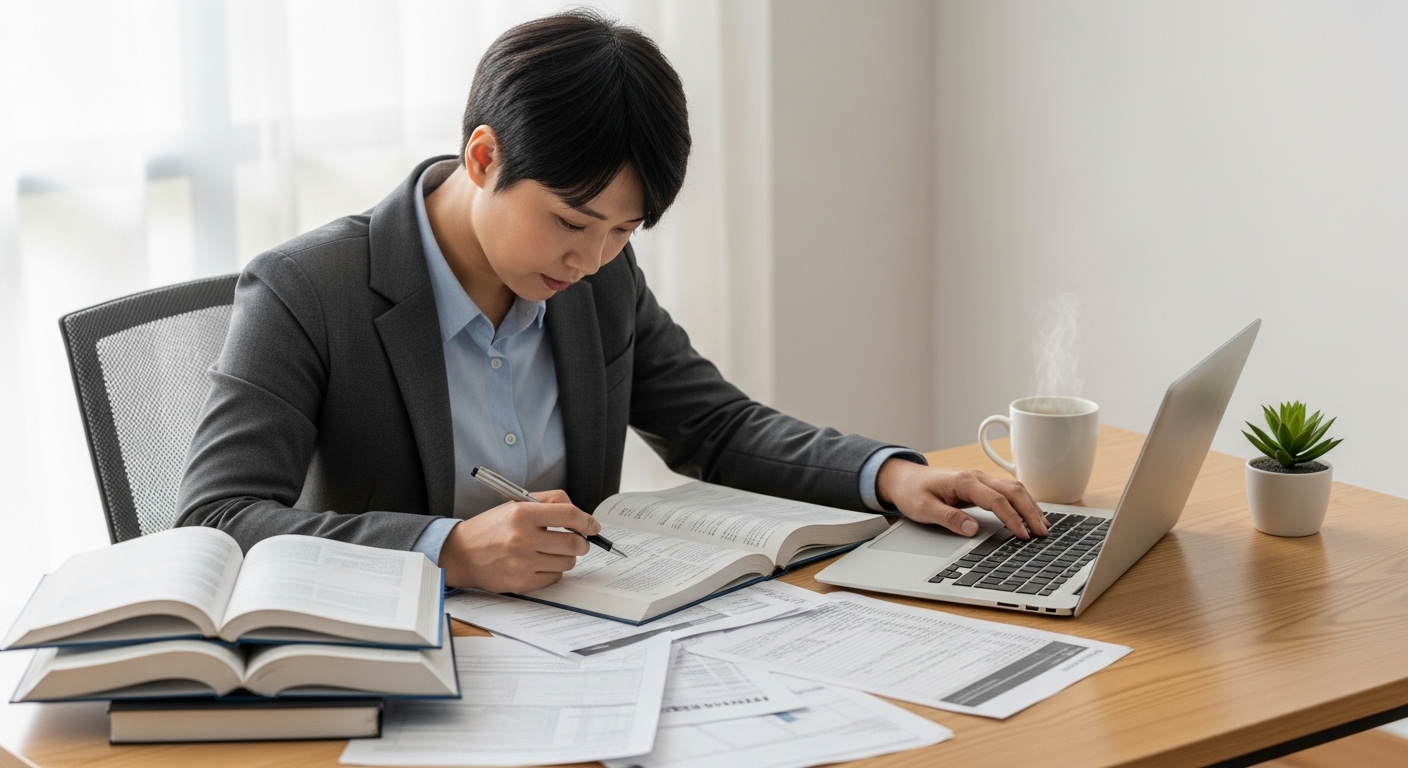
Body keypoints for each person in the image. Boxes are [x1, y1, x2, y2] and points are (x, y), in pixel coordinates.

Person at [176, 10, 1047, 594]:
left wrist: (889, 475)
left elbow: (716, 427)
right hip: (405, 662)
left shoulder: (596, 278)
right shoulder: (305, 290)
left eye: (624, 232)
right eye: (570, 221)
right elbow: (216, 519)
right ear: (483, 158)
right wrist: (449, 552)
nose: (591, 260)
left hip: (590, 645)